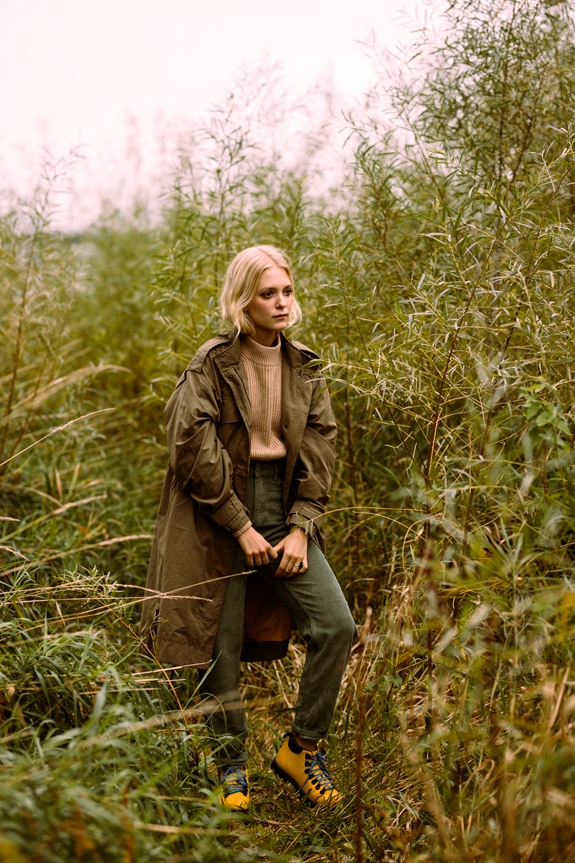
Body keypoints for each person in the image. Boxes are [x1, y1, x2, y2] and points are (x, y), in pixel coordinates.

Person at [142, 245, 356, 811]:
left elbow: (320, 447)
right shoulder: (211, 364)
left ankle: (301, 750)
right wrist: (239, 525)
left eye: (286, 291)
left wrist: (301, 527)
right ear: (243, 301)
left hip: (282, 508)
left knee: (336, 625)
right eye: (268, 293)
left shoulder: (306, 366)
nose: (281, 302)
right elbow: (191, 449)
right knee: (222, 642)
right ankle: (230, 766)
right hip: (215, 513)